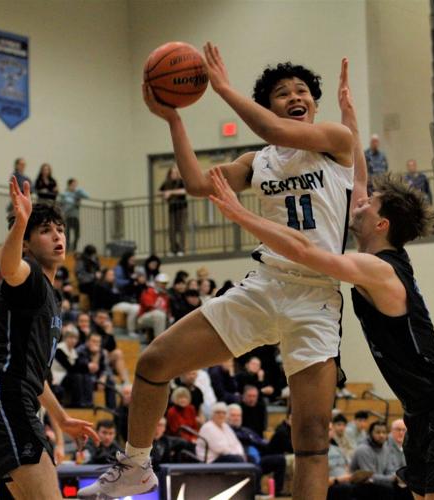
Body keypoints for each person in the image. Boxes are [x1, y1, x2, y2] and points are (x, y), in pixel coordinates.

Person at [81, 51, 356, 500]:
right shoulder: (258, 160)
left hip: (316, 296)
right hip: (265, 286)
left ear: (315, 105)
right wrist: (174, 120)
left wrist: (222, 88)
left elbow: (272, 128)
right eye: (282, 93)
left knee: (311, 436)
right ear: (270, 105)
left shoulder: (335, 141)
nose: (294, 96)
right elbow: (196, 183)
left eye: (302, 91)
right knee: (153, 364)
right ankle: (134, 467)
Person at [208, 61, 434, 499]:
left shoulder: (377, 269)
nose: (361, 199)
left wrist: (240, 214)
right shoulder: (374, 255)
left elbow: (302, 251)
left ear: (382, 224)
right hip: (419, 410)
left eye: (370, 203)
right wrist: (349, 115)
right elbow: (354, 176)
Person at [0, 179, 98, 500]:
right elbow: (9, 267)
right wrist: (21, 223)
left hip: (13, 397)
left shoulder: (53, 297)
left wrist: (61, 417)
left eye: (60, 230)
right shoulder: (30, 279)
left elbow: (36, 377)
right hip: (4, 396)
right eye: (45, 231)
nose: (57, 236)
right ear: (26, 244)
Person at [160, 166, 188, 256]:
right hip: (172, 208)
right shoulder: (167, 183)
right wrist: (164, 194)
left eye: (176, 173)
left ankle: (181, 249)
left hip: (182, 208)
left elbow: (185, 191)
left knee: (182, 228)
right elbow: (160, 191)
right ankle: (173, 249)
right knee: (171, 229)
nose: (174, 175)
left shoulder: (181, 182)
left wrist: (171, 192)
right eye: (172, 173)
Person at [59, 178, 89, 251]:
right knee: (67, 234)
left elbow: (87, 196)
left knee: (77, 235)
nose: (75, 186)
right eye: (73, 184)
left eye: (76, 185)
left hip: (75, 217)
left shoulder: (77, 193)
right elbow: (64, 204)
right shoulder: (65, 194)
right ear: (69, 185)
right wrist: (74, 202)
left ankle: (73, 249)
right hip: (68, 217)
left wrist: (79, 190)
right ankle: (67, 249)